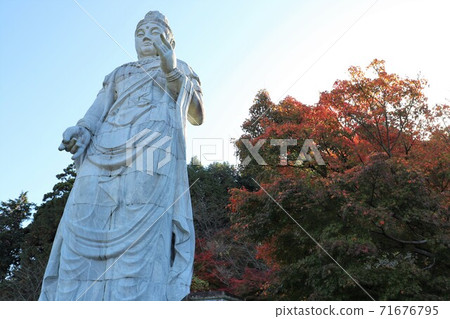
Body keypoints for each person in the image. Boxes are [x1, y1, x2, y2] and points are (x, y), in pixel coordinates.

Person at [39, 11, 204, 301]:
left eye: (154, 31)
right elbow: (98, 110)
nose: (146, 38)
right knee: (81, 216)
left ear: (170, 39)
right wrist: (81, 130)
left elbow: (197, 115)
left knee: (142, 226)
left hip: (152, 145)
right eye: (141, 33)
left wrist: (171, 69)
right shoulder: (121, 71)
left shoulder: (181, 68)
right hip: (104, 146)